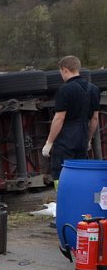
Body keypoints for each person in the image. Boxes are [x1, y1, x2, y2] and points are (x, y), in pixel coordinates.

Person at [42, 56, 100, 185]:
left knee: (62, 175)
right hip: (82, 138)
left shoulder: (65, 90)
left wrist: (49, 142)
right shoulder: (94, 89)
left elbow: (59, 118)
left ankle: (64, 201)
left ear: (65, 70)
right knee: (82, 174)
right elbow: (95, 119)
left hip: (66, 140)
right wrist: (88, 139)